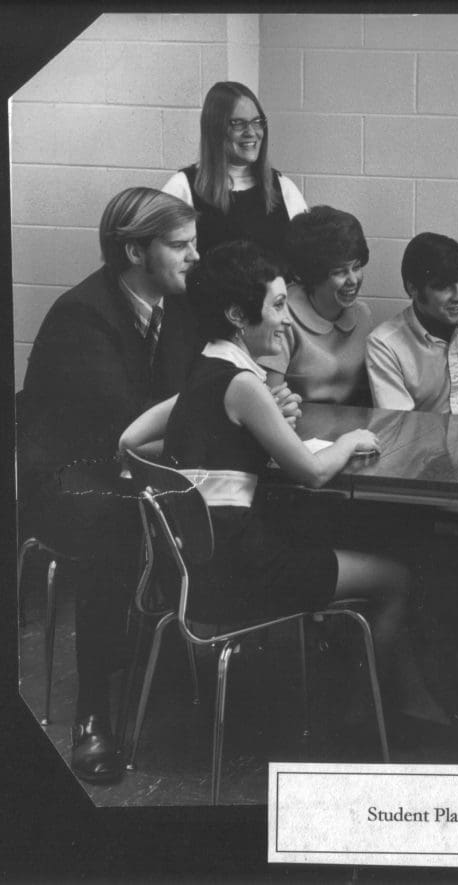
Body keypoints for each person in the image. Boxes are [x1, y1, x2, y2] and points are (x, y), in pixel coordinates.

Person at [118, 240, 452, 734]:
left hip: (192, 574)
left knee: (326, 541)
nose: (285, 320)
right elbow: (314, 472)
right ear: (237, 313)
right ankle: (364, 714)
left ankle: (390, 701)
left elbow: (129, 441)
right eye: (276, 305)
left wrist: (233, 432)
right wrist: (352, 440)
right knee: (396, 578)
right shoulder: (244, 384)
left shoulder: (207, 368)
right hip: (242, 574)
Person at [17, 187, 201, 784]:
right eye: (180, 245)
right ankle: (92, 713)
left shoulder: (173, 304)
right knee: (116, 527)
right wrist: (220, 401)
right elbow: (126, 423)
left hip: (127, 468)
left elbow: (179, 401)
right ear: (133, 251)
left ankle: (170, 657)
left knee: (204, 503)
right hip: (67, 480)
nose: (193, 256)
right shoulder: (82, 315)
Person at [366, 232, 458, 416]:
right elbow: (399, 425)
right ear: (413, 288)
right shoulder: (385, 345)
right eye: (444, 287)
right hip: (425, 442)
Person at [163, 81, 307, 260]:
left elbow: (306, 259)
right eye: (238, 124)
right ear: (215, 129)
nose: (251, 132)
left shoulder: (283, 187)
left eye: (257, 122)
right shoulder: (182, 187)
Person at [261, 206, 373, 404]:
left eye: (356, 267)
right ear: (313, 274)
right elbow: (271, 406)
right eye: (339, 271)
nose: (353, 280)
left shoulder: (363, 315)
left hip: (354, 430)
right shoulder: (281, 317)